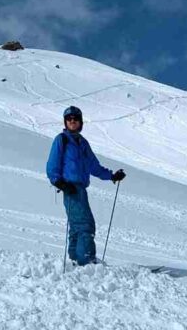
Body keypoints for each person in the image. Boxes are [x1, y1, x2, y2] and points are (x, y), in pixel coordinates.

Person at [46, 106, 126, 266]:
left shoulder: (83, 143)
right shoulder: (61, 140)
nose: (72, 121)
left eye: (75, 118)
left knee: (77, 225)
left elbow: (93, 166)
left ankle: (76, 258)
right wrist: (60, 183)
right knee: (85, 224)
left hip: (80, 188)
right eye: (69, 119)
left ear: (80, 122)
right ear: (65, 122)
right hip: (70, 188)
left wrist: (111, 176)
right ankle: (87, 261)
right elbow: (52, 165)